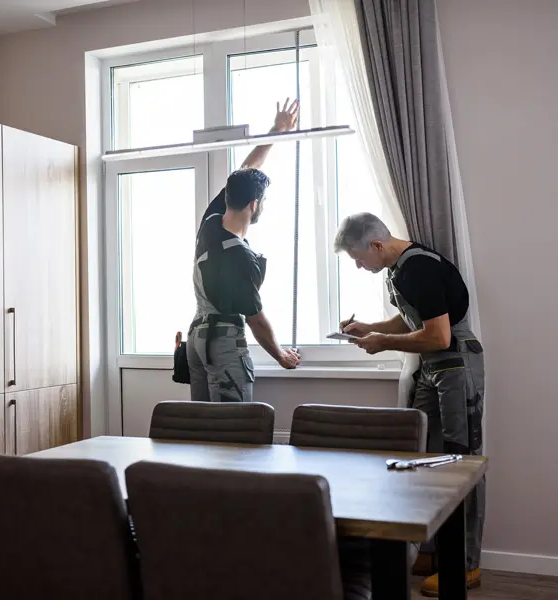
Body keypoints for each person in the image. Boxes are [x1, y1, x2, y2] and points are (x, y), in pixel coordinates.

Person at [334, 212, 485, 596]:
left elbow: (437, 336)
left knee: (459, 461)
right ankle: (433, 550)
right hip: (433, 370)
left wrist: (383, 344)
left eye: (358, 257)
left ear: (378, 245)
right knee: (422, 457)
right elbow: (409, 320)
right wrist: (370, 328)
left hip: (454, 365)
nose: (357, 264)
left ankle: (465, 564)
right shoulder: (397, 270)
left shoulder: (418, 268)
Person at [187, 99, 302, 403]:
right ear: (254, 205)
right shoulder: (239, 255)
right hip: (222, 341)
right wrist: (281, 355)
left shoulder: (210, 223)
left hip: (197, 338)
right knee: (232, 434)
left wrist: (276, 132)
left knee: (197, 430)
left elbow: (248, 170)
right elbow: (255, 318)